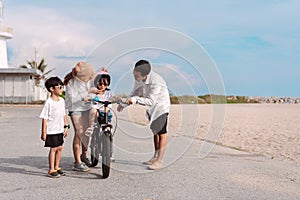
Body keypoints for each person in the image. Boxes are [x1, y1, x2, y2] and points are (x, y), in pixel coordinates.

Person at [117, 60, 170, 170]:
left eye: (136, 74)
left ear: (145, 75)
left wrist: (135, 100)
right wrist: (124, 104)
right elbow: (135, 92)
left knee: (162, 133)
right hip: (151, 109)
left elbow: (151, 101)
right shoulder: (138, 78)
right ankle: (155, 157)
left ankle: (160, 161)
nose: (134, 75)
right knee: (155, 132)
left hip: (161, 108)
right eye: (134, 72)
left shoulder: (156, 82)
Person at [64, 61, 100, 171]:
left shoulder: (90, 80)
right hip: (75, 109)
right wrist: (87, 93)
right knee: (79, 132)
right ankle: (77, 162)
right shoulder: (71, 82)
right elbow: (72, 99)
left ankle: (84, 155)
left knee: (87, 132)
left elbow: (95, 92)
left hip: (87, 107)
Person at [40, 77, 69, 178]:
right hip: (51, 130)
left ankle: (57, 167)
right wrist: (43, 132)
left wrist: (66, 126)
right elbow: (44, 118)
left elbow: (63, 114)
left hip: (60, 129)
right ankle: (51, 169)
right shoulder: (49, 102)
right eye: (59, 87)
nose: (61, 88)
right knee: (53, 148)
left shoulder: (61, 100)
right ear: (52, 89)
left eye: (62, 86)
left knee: (60, 148)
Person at [85, 68, 113, 136]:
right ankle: (90, 127)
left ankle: (107, 141)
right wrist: (87, 98)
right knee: (93, 110)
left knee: (108, 127)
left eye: (105, 84)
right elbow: (87, 97)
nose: (102, 86)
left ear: (108, 84)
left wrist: (119, 99)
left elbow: (113, 98)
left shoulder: (108, 93)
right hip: (96, 113)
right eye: (100, 83)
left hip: (106, 112)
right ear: (96, 83)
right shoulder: (94, 92)